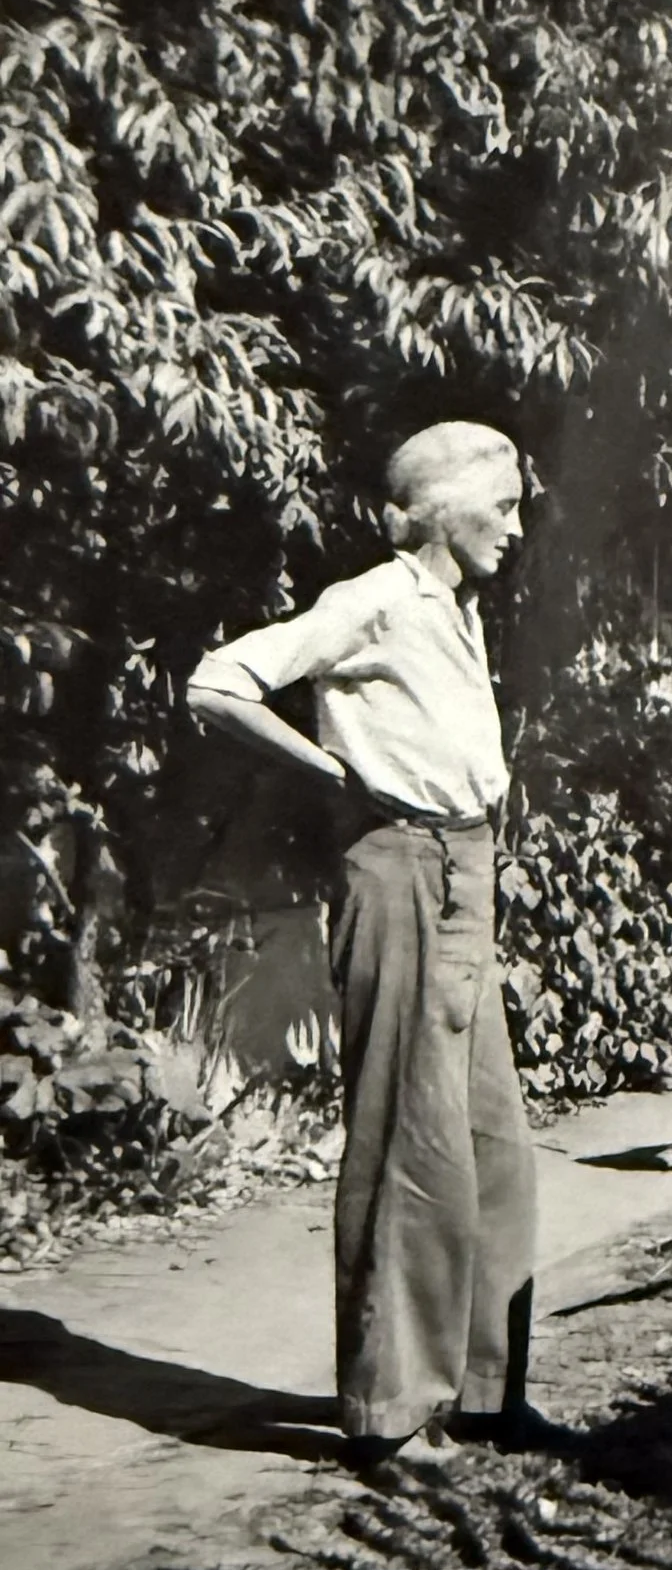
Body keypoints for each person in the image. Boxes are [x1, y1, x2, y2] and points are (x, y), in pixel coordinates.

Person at [188, 421, 539, 1470]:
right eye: (503, 505)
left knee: (491, 1144)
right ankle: (392, 1410)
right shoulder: (375, 598)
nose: (518, 527)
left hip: (468, 871)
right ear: (437, 509)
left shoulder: (459, 610)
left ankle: (480, 1395)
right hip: (399, 871)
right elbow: (218, 681)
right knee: (406, 1139)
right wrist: (328, 773)